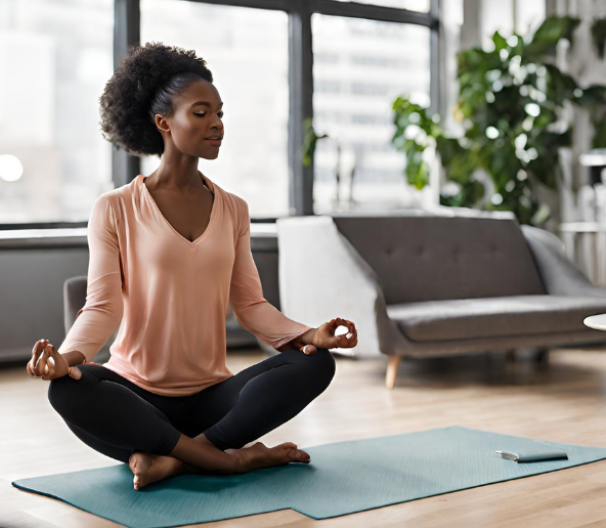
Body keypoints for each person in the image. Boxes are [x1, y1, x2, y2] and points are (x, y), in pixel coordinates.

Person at [27, 42, 358, 491]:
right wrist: (64, 360)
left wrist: (308, 335)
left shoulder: (234, 209)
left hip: (212, 400)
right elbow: (102, 307)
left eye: (220, 113)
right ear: (163, 122)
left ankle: (176, 459)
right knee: (67, 389)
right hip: (135, 401)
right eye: (201, 113)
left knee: (315, 365)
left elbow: (251, 305)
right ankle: (227, 460)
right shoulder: (115, 208)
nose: (217, 124)